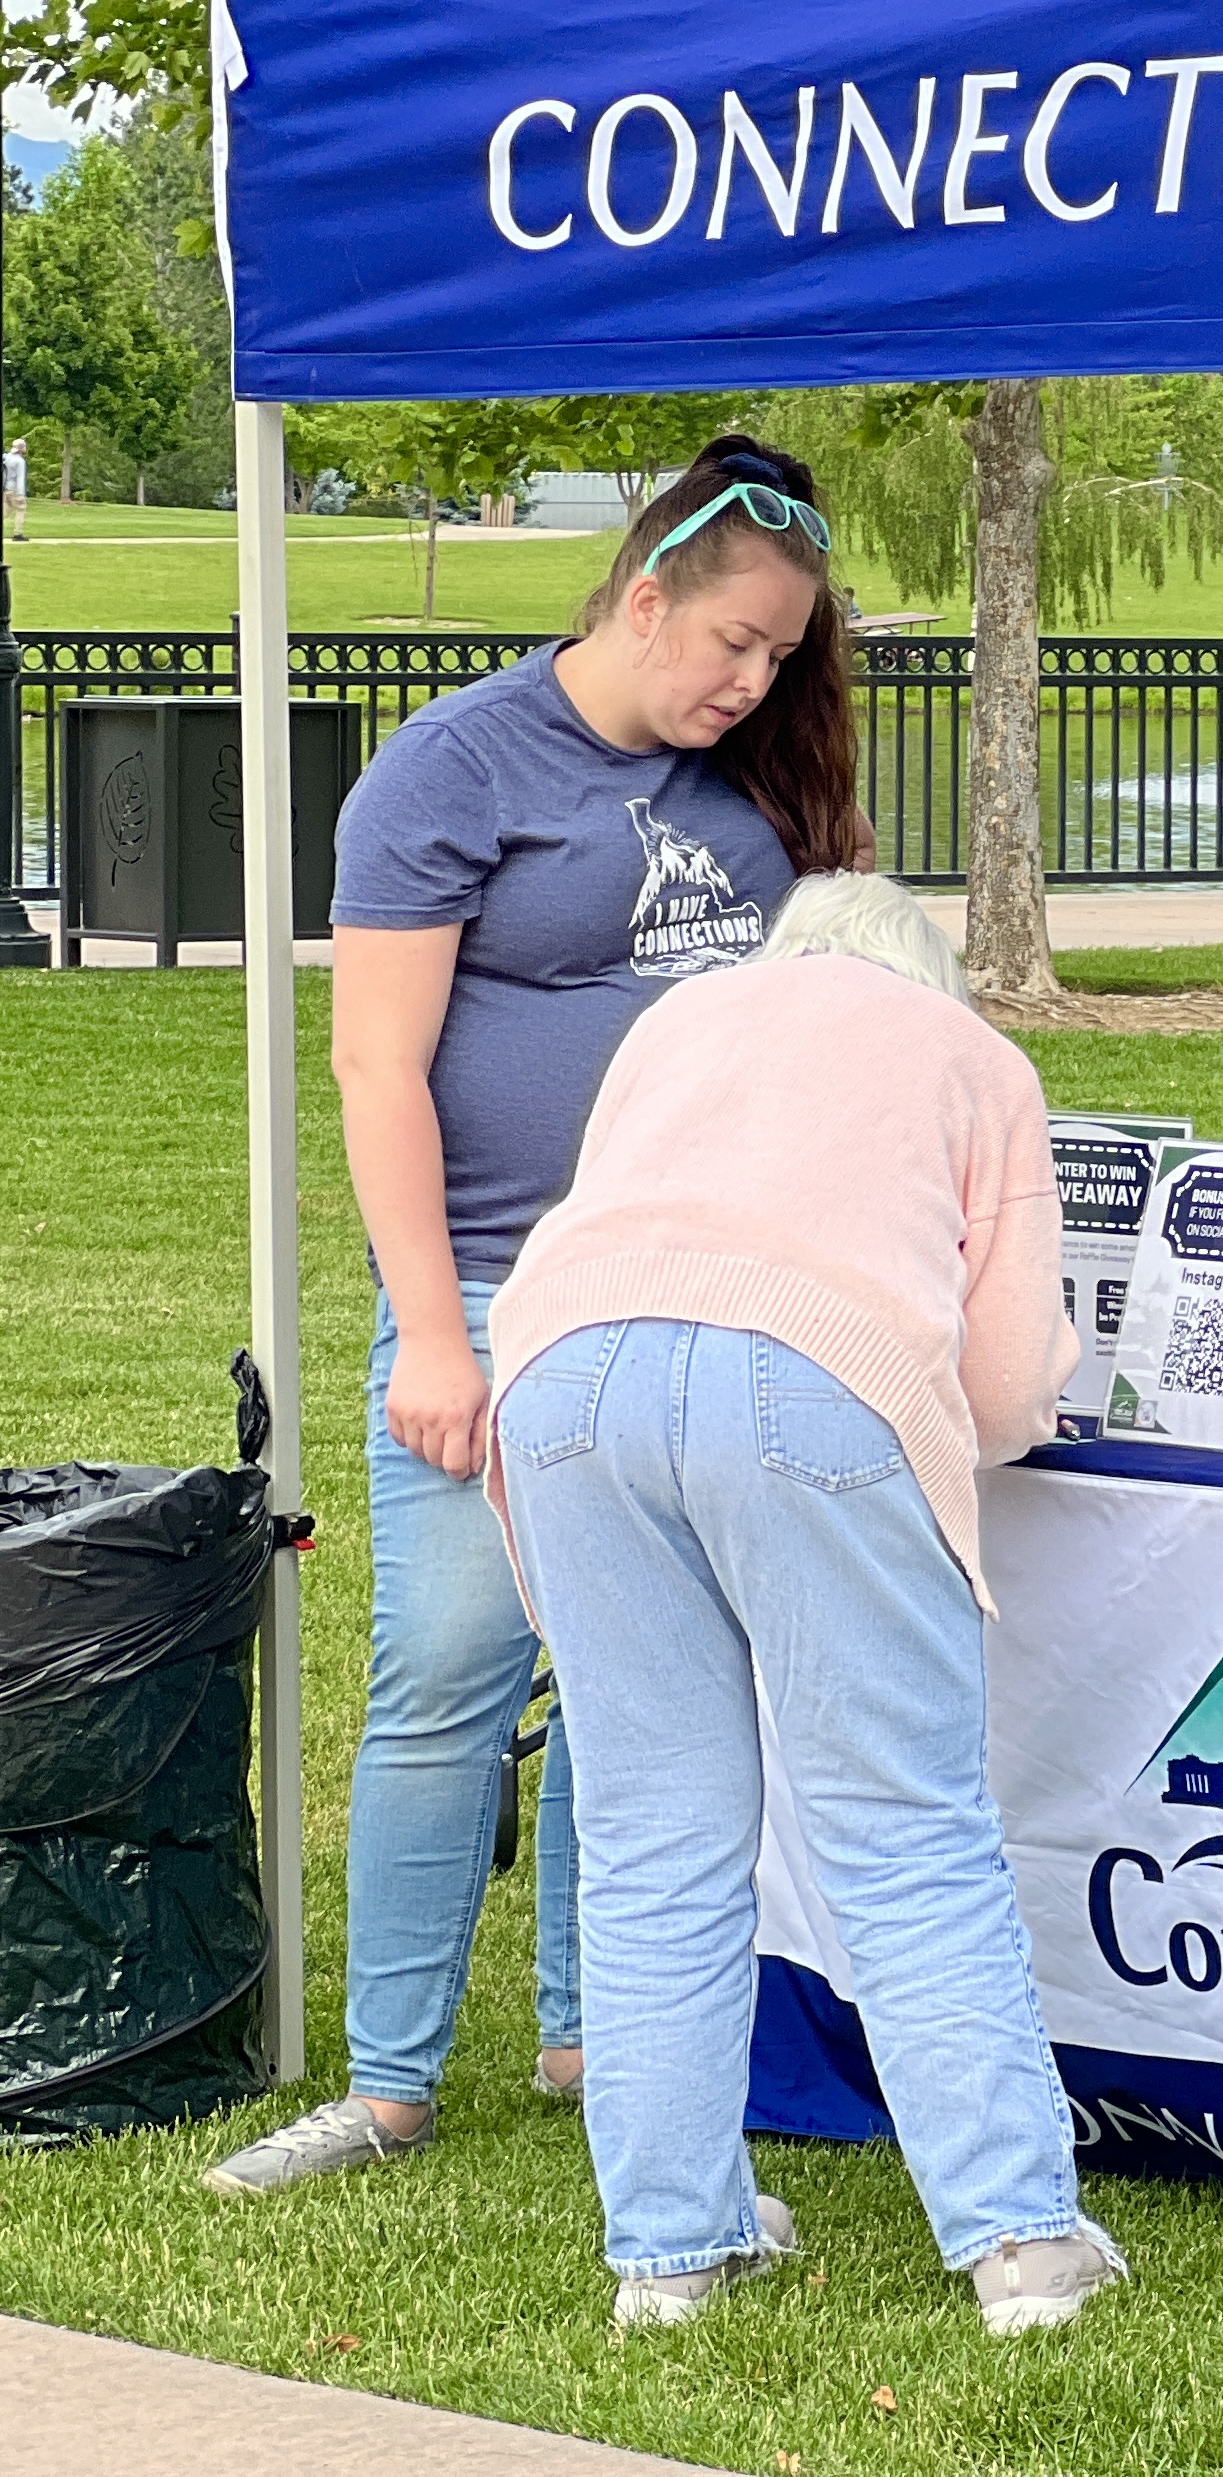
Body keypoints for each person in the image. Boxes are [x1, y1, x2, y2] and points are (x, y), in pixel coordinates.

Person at [211, 438, 861, 2200]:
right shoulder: (453, 765)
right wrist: (433, 1334)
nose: (754, 681)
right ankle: (389, 2081)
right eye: (733, 642)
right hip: (504, 1288)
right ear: (641, 596)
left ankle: (595, 2032)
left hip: (707, 1288)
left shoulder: (758, 776)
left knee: (638, 1681)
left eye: (780, 654)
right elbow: (376, 1067)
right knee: (448, 1672)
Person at [480, 874, 1116, 2335]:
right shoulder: (973, 1059)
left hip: (564, 1371)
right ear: (927, 973)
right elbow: (1008, 1379)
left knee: (649, 1840)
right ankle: (1021, 2242)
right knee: (904, 1828)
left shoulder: (682, 1016)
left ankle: (668, 2254)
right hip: (820, 1373)